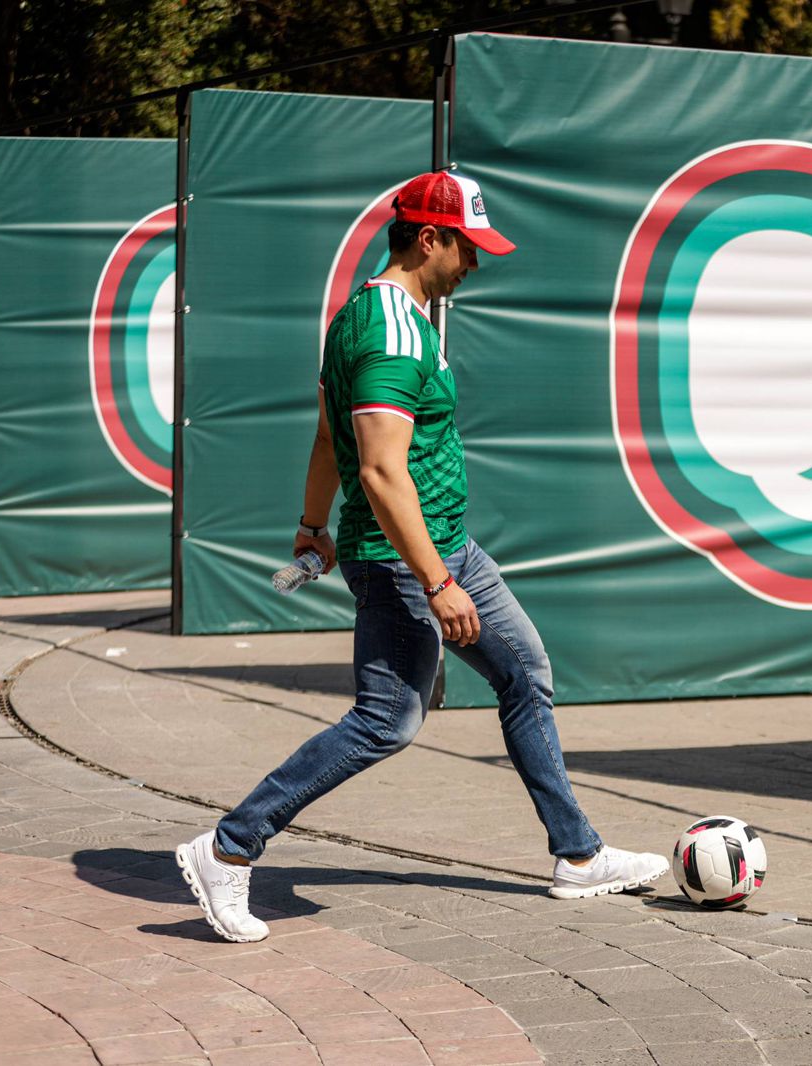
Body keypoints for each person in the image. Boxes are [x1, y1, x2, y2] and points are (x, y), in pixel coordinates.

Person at [176, 171, 667, 943]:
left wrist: (311, 524)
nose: (475, 264)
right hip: (408, 560)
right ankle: (229, 846)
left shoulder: (363, 316)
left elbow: (327, 437)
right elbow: (378, 470)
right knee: (386, 721)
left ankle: (578, 855)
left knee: (525, 674)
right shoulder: (390, 334)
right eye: (468, 248)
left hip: (445, 547)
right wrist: (436, 581)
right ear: (429, 238)